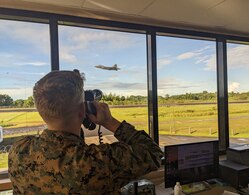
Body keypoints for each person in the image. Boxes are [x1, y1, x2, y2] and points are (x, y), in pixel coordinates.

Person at [8, 69, 163, 194]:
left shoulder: (18, 150)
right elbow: (153, 153)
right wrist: (109, 121)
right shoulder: (94, 163)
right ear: (83, 109)